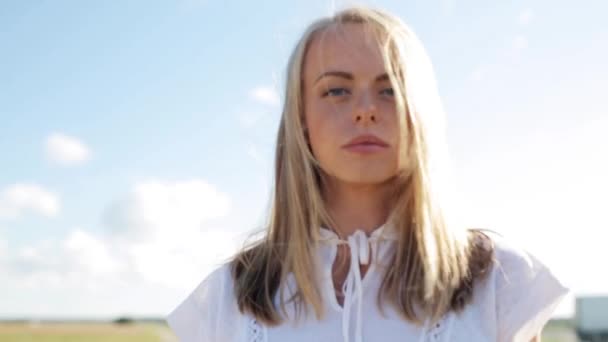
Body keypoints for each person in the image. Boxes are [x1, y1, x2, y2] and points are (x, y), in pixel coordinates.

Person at [166, 6, 568, 342]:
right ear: (301, 118)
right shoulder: (228, 295)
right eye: (336, 90)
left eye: (390, 89)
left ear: (420, 113)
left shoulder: (501, 282)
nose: (365, 110)